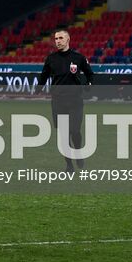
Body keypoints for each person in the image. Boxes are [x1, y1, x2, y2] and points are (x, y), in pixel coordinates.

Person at [40, 28, 94, 170]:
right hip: (58, 102)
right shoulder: (51, 59)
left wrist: (88, 84)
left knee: (75, 131)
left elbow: (90, 74)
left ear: (68, 40)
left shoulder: (79, 58)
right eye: (56, 39)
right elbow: (43, 76)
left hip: (75, 101)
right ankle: (69, 165)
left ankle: (79, 154)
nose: (58, 41)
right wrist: (39, 88)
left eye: (61, 38)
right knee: (64, 135)